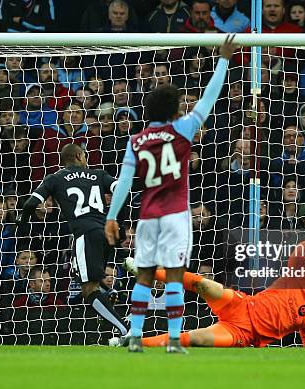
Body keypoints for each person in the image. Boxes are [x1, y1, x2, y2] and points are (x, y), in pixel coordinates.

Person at [105, 35, 237, 353]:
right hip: (177, 214)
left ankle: (135, 337)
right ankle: (174, 340)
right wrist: (223, 60)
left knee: (145, 276)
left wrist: (112, 216)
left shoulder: (135, 140)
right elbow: (208, 99)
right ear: (175, 109)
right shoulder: (184, 129)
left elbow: (123, 181)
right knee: (175, 276)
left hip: (147, 215)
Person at [111, 232, 305, 349]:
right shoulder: (298, 277)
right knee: (205, 284)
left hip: (243, 333)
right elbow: (301, 250)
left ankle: (130, 342)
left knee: (197, 338)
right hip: (243, 304)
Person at [19, 143, 129, 338]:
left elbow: (30, 204)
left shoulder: (55, 178)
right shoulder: (98, 174)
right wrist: (116, 218)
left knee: (88, 289)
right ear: (79, 156)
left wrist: (23, 225)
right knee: (88, 277)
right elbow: (122, 189)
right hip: (106, 232)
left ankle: (122, 328)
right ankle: (113, 293)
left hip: (85, 234)